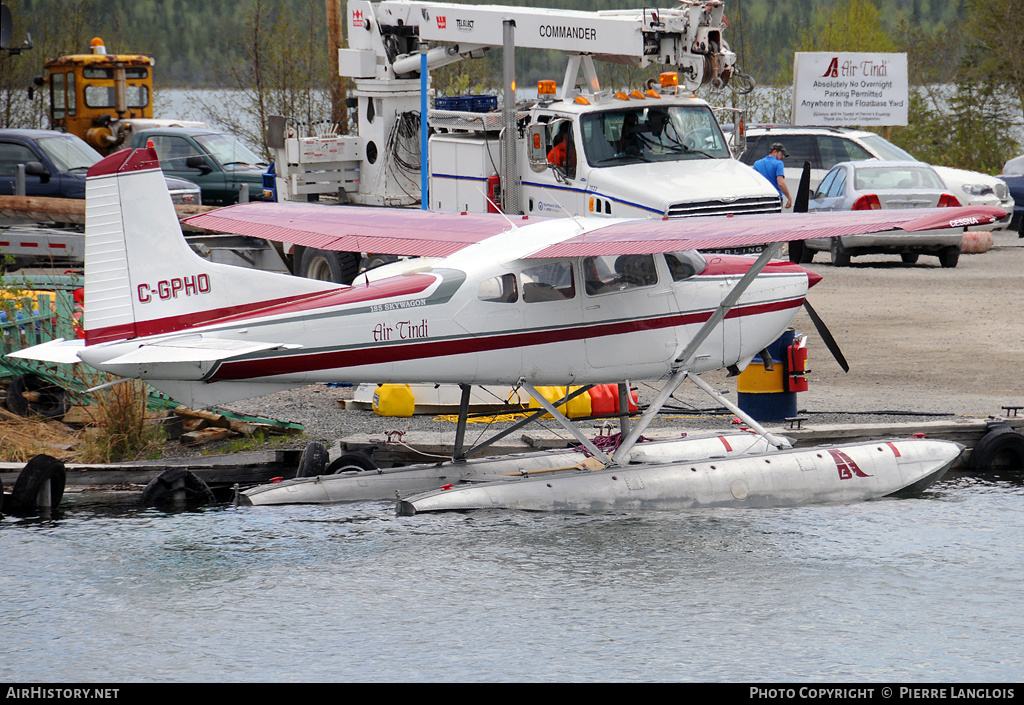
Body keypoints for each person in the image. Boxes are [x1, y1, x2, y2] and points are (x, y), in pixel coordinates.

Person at [753, 142, 792, 209]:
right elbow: (781, 183)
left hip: (760, 198)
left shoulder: (757, 163)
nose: (782, 157)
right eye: (781, 155)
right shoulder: (778, 164)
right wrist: (789, 197)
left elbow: (753, 181)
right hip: (774, 198)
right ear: (775, 152)